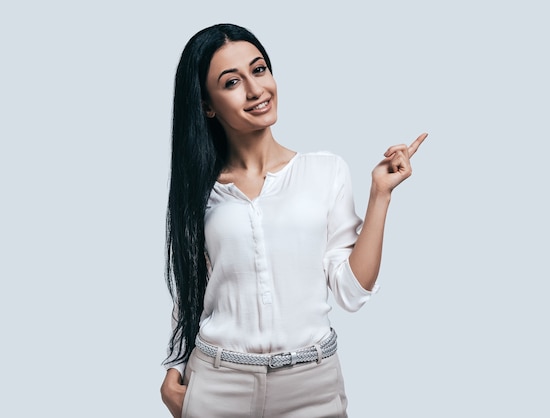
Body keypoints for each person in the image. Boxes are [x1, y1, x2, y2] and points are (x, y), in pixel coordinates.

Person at [160, 23, 428, 418]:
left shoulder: (325, 171)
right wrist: (174, 366)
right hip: (218, 384)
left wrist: (380, 195)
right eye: (232, 82)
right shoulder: (199, 191)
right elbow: (191, 289)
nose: (255, 90)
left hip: (312, 387)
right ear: (207, 105)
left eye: (259, 69)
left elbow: (351, 292)